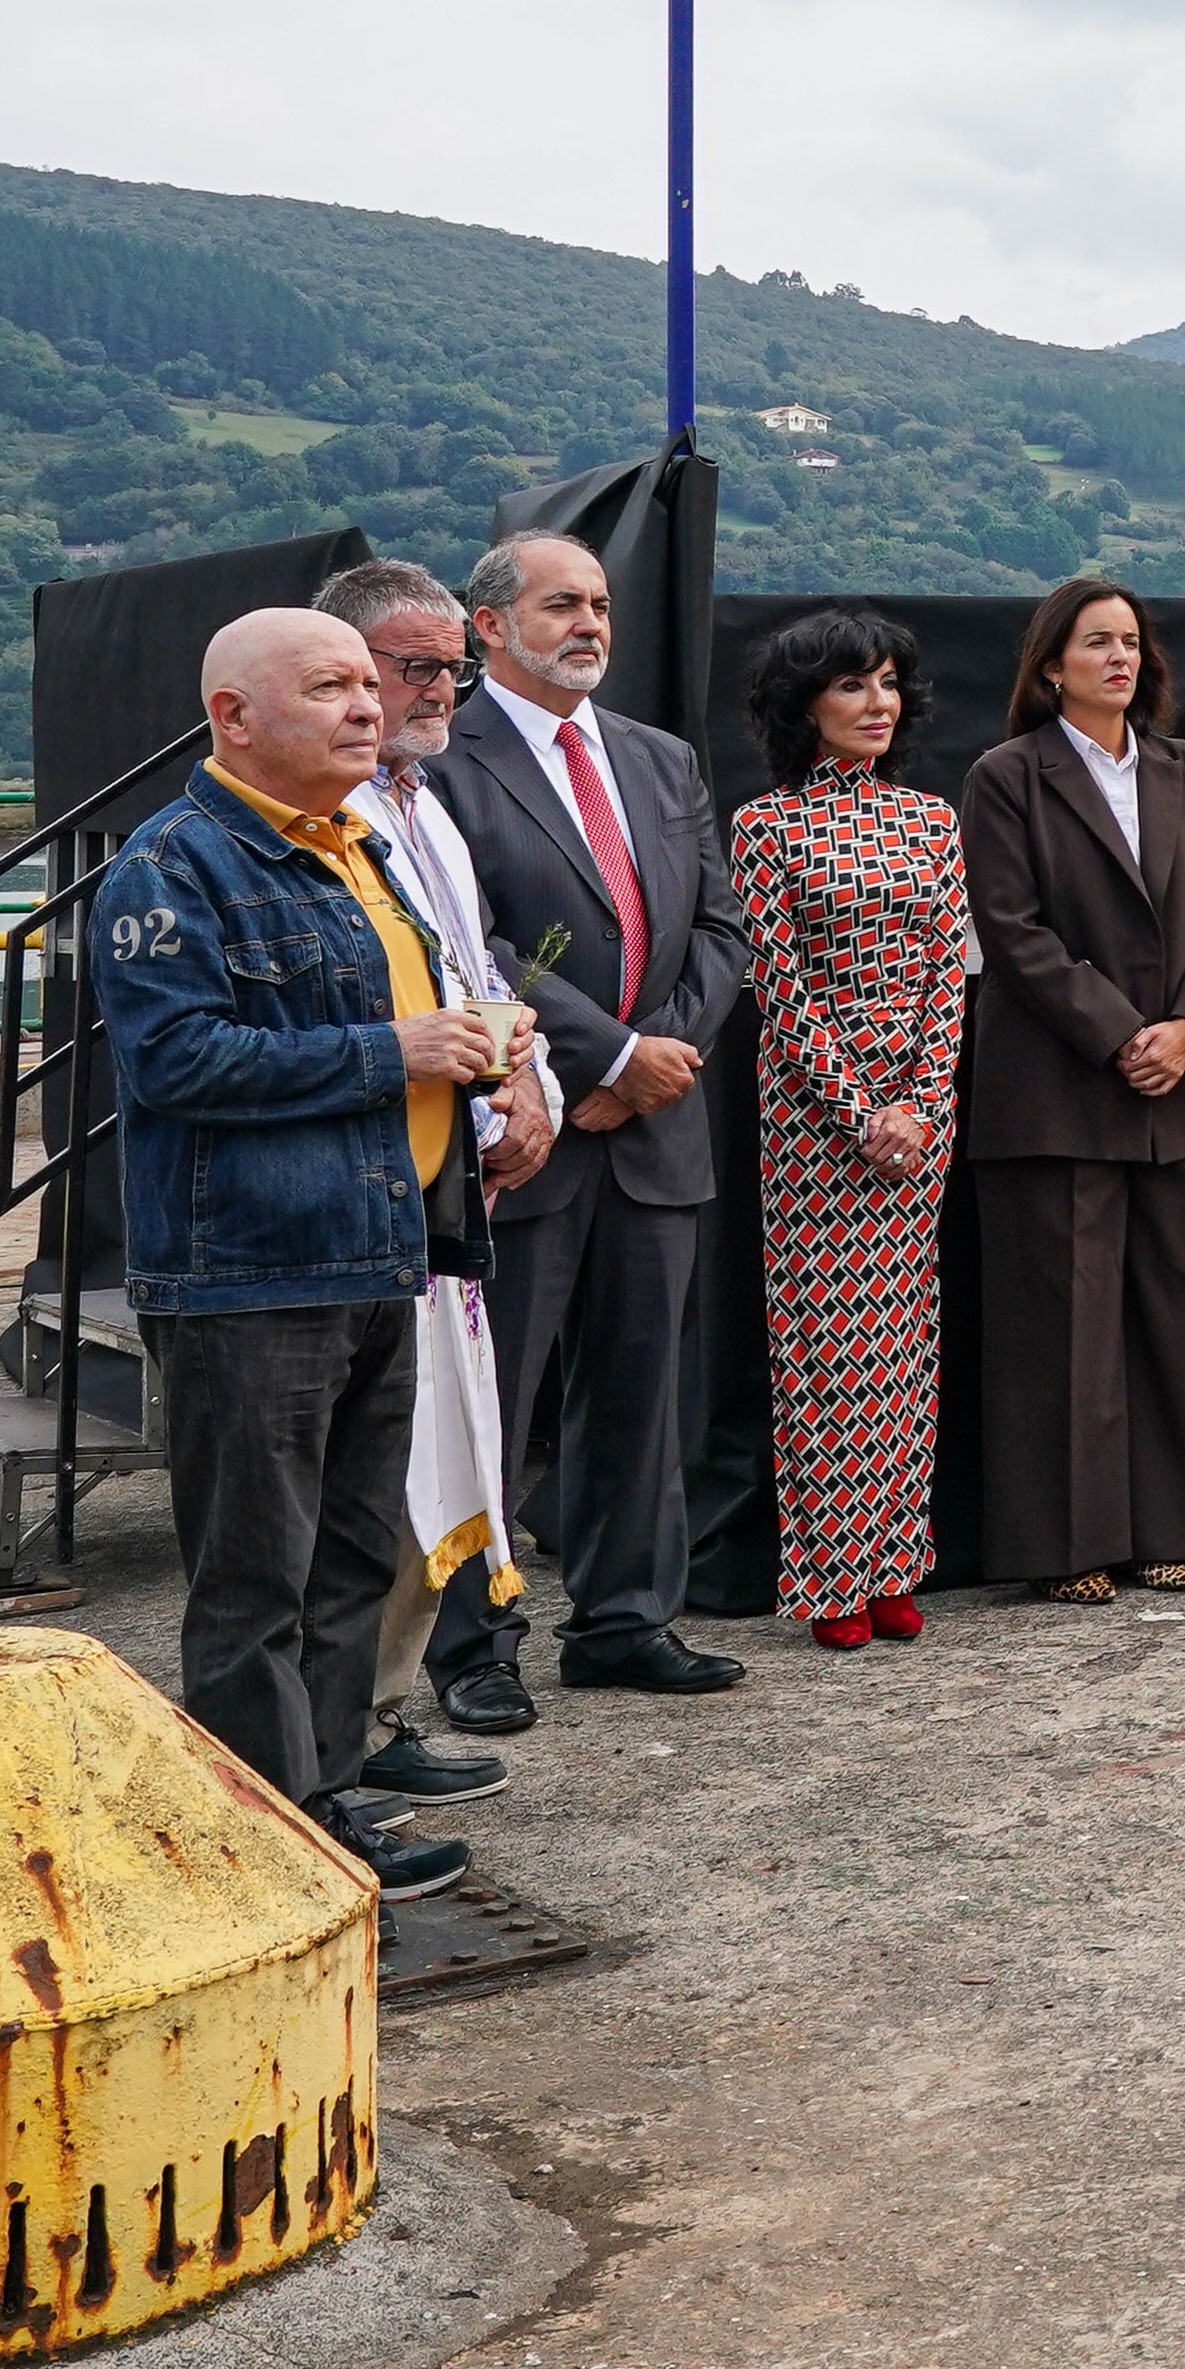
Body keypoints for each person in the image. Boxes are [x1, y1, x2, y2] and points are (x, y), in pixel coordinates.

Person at [91, 608, 510, 1897]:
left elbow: (399, 1020)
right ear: (233, 716)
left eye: (365, 686)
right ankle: (257, 1864)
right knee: (253, 1584)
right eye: (329, 687)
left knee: (344, 1566)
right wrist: (400, 1052)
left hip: (382, 1253)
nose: (367, 706)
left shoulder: (358, 850)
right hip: (252, 1277)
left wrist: (488, 1044)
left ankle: (324, 1812)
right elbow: (175, 1062)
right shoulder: (172, 869)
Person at [431, 527, 752, 1710]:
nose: (591, 626)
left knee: (639, 1396)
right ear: (491, 626)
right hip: (528, 1133)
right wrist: (605, 1053)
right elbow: (468, 942)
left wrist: (660, 1054)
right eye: (563, 604)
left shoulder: (660, 759)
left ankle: (625, 1621)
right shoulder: (441, 764)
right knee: (494, 1405)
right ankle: (475, 1649)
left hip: (657, 1130)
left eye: (602, 604)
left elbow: (722, 929)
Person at [957, 577, 1185, 1604]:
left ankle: (1177, 1528)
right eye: (1097, 643)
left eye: (1131, 642)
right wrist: (1122, 1031)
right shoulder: (1007, 777)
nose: (1120, 658)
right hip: (1057, 1084)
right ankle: (1069, 1543)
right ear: (1051, 667)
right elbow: (1014, 932)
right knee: (1064, 1325)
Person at [318, 558, 561, 1810]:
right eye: (414, 669)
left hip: (447, 1184)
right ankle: (329, 1746)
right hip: (361, 1192)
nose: (438, 691)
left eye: (447, 669)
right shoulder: (322, 820)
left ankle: (379, 1709)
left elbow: (475, 974)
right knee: (372, 1481)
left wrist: (529, 1085)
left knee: (437, 1463)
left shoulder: (431, 808)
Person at [728, 610, 969, 1653]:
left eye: (887, 685)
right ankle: (831, 1570)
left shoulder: (931, 820)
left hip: (922, 1116)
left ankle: (898, 1561)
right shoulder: (764, 829)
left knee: (906, 1347)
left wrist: (918, 1100)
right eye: (851, 687)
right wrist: (860, 1109)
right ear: (804, 706)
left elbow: (946, 980)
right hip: (815, 1121)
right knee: (826, 1352)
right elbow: (779, 995)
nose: (877, 704)